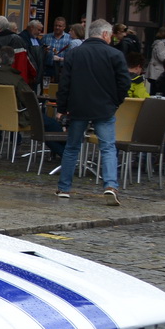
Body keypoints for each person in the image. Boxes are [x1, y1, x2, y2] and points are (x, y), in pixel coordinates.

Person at [56, 19, 128, 206]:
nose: (111, 38)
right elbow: (124, 83)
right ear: (104, 34)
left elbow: (65, 83)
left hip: (78, 107)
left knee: (72, 147)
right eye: (110, 35)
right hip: (104, 107)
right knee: (108, 147)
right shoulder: (115, 54)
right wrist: (115, 102)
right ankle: (110, 185)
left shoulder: (74, 53)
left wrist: (62, 108)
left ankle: (64, 188)